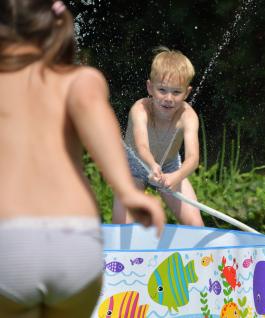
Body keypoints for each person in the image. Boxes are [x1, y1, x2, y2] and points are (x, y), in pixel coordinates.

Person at [0, 1, 165, 317]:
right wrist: (127, 191)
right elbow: (98, 125)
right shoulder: (80, 80)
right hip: (75, 242)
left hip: (8, 242)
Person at [112, 47, 204, 227]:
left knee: (195, 223)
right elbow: (141, 146)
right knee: (121, 229)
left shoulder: (188, 115)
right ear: (150, 88)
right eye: (162, 90)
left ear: (187, 92)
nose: (168, 98)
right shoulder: (140, 109)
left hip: (170, 167)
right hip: (134, 166)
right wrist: (152, 165)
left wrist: (175, 177)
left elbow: (193, 159)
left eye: (177, 92)